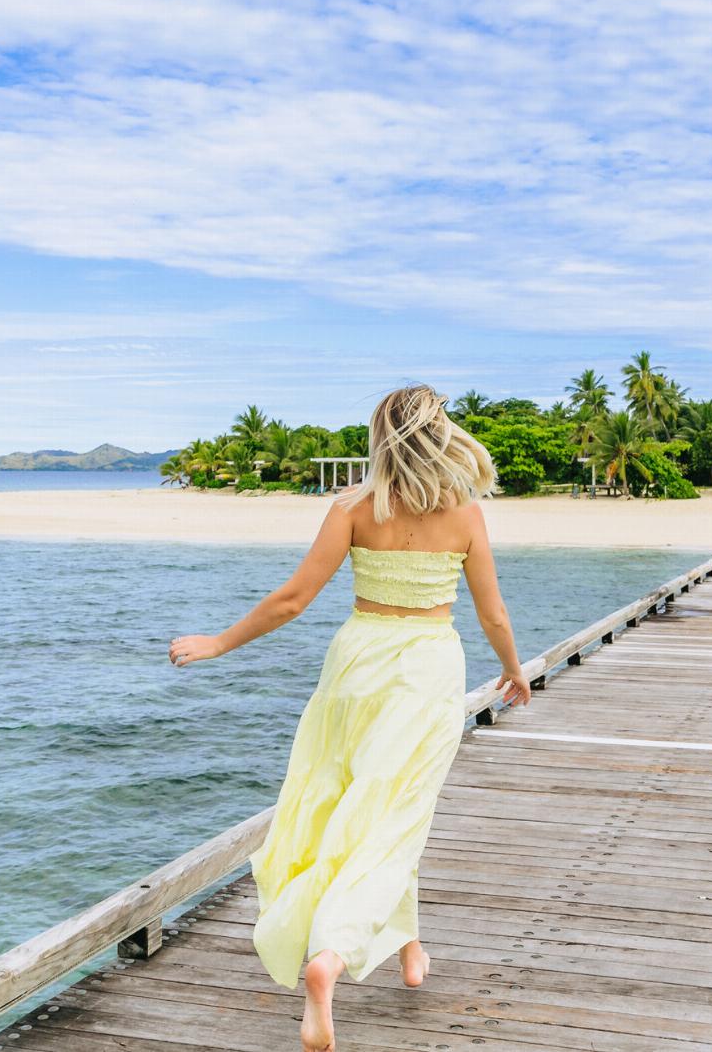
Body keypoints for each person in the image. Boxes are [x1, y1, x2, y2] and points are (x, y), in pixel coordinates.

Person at [167, 384, 530, 1051]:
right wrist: (513, 668)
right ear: (439, 433)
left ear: (380, 438)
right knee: (399, 813)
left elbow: (292, 599)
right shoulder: (465, 512)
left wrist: (219, 642)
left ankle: (410, 950)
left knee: (370, 807)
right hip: (427, 670)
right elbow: (493, 613)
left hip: (356, 666)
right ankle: (330, 956)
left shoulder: (354, 507)